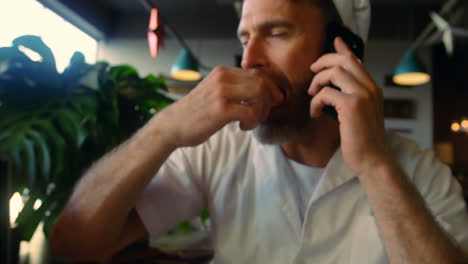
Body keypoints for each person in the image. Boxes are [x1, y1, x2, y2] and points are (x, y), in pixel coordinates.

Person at [50, 0, 468, 263]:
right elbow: (74, 244)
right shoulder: (220, 148)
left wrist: (376, 166)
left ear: (341, 50)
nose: (249, 59)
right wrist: (166, 128)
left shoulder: (419, 172)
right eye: (245, 37)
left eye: (276, 32)